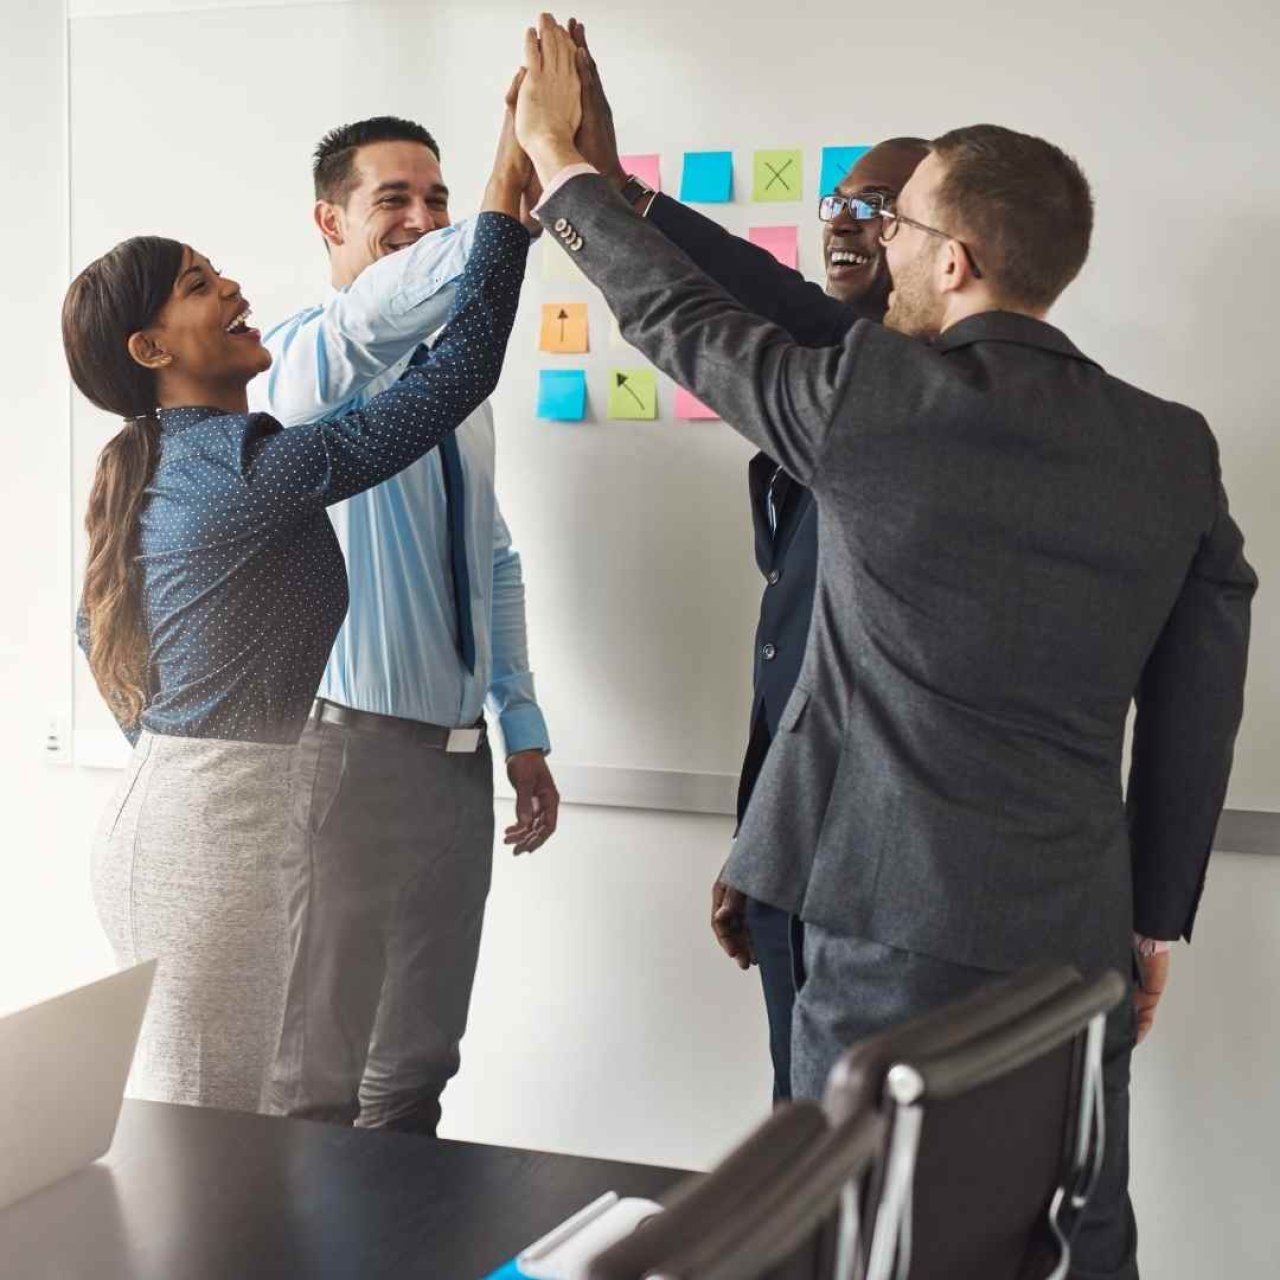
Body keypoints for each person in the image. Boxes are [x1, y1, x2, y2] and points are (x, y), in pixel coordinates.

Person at [514, 18, 1256, 1276]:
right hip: (1072, 924)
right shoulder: (1168, 444)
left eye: (897, 221)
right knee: (1068, 1233)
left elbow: (681, 321)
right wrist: (1152, 913)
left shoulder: (876, 403)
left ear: (954, 259)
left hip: (884, 919)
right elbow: (1201, 695)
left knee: (860, 1238)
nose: (874, 239)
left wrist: (558, 174)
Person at [65, 107, 532, 1114]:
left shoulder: (195, 459)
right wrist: (510, 193)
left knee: (237, 1129)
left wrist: (174, 749)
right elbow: (459, 367)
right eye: (199, 285)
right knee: (211, 1133)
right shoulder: (244, 466)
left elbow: (89, 628)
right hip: (211, 834)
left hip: (212, 810)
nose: (233, 286)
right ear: (151, 346)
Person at [567, 19, 927, 1103]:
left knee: (850, 1154)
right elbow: (796, 660)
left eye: (875, 208)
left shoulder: (921, 398)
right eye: (837, 203)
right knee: (795, 1127)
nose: (842, 224)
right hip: (790, 841)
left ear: (943, 242)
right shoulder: (828, 383)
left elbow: (720, 300)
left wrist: (584, 188)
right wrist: (753, 839)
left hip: (877, 875)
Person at [252, 108, 558, 1135]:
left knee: (422, 1059)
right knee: (320, 1070)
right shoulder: (300, 366)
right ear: (327, 222)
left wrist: (521, 727)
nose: (422, 219)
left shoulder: (457, 390)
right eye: (394, 199)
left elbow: (496, 555)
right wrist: (505, 191)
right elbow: (366, 321)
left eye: (436, 196)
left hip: (454, 763)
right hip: (343, 759)